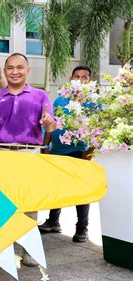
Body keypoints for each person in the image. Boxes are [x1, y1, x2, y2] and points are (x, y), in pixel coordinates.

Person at [0, 53, 56, 267]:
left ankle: (29, 251)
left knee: (29, 203)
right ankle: (2, 252)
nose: (15, 72)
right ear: (5, 71)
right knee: (2, 202)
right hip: (2, 153)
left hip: (29, 153)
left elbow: (50, 126)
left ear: (28, 70)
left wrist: (49, 122)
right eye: (11, 68)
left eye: (20, 67)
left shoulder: (40, 96)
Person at [38, 65, 93, 242]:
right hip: (57, 151)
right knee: (56, 188)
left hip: (79, 151)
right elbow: (51, 125)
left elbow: (95, 129)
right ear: (71, 79)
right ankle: (54, 221)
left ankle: (82, 228)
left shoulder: (92, 102)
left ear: (89, 81)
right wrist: (45, 146)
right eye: (76, 76)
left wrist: (89, 154)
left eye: (84, 77)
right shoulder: (60, 100)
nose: (80, 79)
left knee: (82, 192)